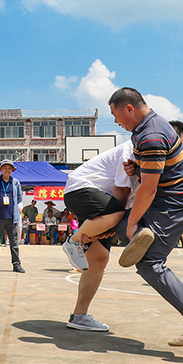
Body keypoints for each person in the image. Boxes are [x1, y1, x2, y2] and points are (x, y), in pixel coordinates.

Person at [109, 87, 183, 346]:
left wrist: (134, 223)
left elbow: (149, 187)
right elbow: (152, 175)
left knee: (148, 262)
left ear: (129, 108)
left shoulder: (152, 135)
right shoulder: (146, 129)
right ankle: (141, 232)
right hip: (168, 202)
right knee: (121, 225)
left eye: (115, 115)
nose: (115, 121)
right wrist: (136, 169)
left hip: (175, 206)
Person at [61, 140, 136, 331]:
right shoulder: (131, 150)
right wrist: (114, 221)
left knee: (99, 258)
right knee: (118, 213)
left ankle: (79, 316)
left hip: (101, 202)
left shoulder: (159, 163)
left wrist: (103, 228)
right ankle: (74, 241)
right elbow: (121, 190)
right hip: (81, 189)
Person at [0, 160, 25, 273]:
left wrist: (20, 208)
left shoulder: (15, 182)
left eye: (9, 168)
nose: (7, 170)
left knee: (14, 243)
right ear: (1, 170)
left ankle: (16, 265)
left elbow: (19, 198)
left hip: (12, 217)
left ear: (12, 170)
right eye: (5, 168)